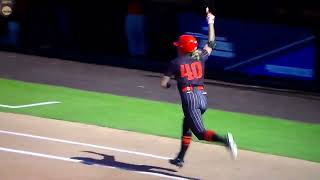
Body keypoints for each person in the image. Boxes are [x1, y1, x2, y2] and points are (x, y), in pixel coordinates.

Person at [160, 10, 238, 168]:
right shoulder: (200, 56)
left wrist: (170, 83)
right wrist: (211, 22)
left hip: (190, 100)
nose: (177, 48)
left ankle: (225, 140)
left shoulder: (175, 62)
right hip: (202, 97)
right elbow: (211, 43)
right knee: (186, 123)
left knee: (201, 133)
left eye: (179, 46)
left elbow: (163, 83)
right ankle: (180, 158)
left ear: (182, 48)